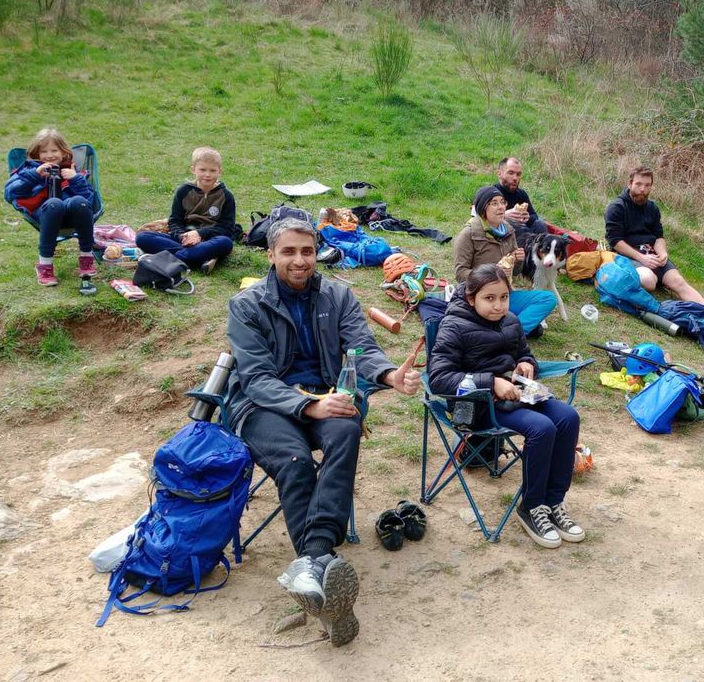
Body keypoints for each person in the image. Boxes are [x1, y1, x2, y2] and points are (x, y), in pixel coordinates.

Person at [226, 218, 421, 646]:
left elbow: (362, 349)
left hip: (328, 395)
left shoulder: (338, 294)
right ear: (271, 255)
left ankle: (312, 566)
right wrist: (308, 404)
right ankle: (321, 563)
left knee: (346, 430)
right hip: (265, 407)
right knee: (295, 463)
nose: (300, 260)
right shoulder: (247, 304)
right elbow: (256, 378)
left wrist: (389, 376)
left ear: (318, 253)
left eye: (307, 251)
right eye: (289, 252)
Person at [428, 264, 584, 550]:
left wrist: (527, 364)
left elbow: (524, 353)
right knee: (542, 428)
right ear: (471, 297)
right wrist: (491, 382)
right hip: (478, 404)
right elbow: (439, 379)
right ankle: (532, 507)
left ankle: (553, 501)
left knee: (568, 418)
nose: (498, 305)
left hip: (516, 395)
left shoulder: (510, 321)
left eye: (504, 297)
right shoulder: (454, 325)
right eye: (489, 298)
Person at [604, 166, 704, 306]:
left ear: (651, 186)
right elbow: (615, 242)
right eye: (638, 184)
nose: (642, 189)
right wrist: (642, 258)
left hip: (652, 255)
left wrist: (662, 253)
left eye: (647, 185)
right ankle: (652, 278)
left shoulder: (653, 208)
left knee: (678, 282)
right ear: (630, 184)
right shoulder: (616, 208)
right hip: (628, 256)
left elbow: (658, 236)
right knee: (649, 281)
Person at [453, 186, 557, 336]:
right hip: (479, 296)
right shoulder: (468, 234)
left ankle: (511, 334)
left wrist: (519, 261)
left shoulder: (508, 231)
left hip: (504, 294)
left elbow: (514, 273)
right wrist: (490, 274)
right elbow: (460, 274)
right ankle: (508, 329)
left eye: (502, 202)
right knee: (533, 327)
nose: (501, 207)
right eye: (494, 203)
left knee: (547, 299)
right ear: (483, 209)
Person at [5, 128, 96, 286]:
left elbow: (89, 201)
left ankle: (86, 258)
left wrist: (75, 179)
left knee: (78, 201)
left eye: (54, 150)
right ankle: (45, 265)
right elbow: (10, 193)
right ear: (36, 154)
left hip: (71, 213)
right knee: (54, 203)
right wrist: (35, 174)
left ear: (63, 152)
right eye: (44, 151)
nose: (49, 155)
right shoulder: (29, 169)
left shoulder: (71, 169)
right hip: (44, 212)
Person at [135, 147, 236, 273]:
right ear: (193, 169)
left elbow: (226, 228)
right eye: (202, 170)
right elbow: (174, 221)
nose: (207, 174)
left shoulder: (226, 196)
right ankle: (199, 258)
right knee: (142, 237)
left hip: (210, 239)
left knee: (225, 243)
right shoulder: (183, 191)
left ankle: (172, 259)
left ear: (220, 171)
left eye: (212, 170)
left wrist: (200, 234)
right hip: (183, 238)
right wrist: (183, 236)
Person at [495, 157, 548, 236]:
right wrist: (503, 216)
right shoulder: (491, 193)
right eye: (511, 173)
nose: (515, 178)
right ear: (499, 173)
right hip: (501, 234)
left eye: (518, 174)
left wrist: (527, 217)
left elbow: (534, 215)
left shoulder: (521, 194)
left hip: (525, 233)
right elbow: (480, 218)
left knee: (540, 224)